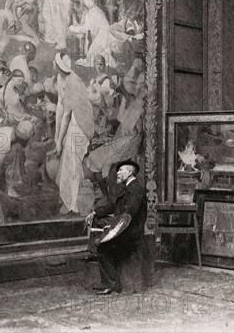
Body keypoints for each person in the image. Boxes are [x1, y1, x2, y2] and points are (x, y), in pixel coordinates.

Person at [85, 160, 147, 295]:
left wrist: (112, 229)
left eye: (121, 170)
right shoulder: (128, 188)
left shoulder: (136, 189)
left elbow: (128, 215)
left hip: (130, 231)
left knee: (103, 247)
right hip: (124, 227)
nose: (117, 173)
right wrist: (95, 212)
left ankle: (110, 285)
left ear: (129, 172)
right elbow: (115, 206)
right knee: (97, 220)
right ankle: (92, 250)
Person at [54, 52, 95, 215]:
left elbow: (66, 115)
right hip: (72, 121)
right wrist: (58, 137)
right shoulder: (60, 78)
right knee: (67, 160)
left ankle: (73, 204)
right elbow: (60, 106)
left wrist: (58, 141)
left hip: (81, 123)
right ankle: (68, 199)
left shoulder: (73, 82)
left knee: (72, 160)